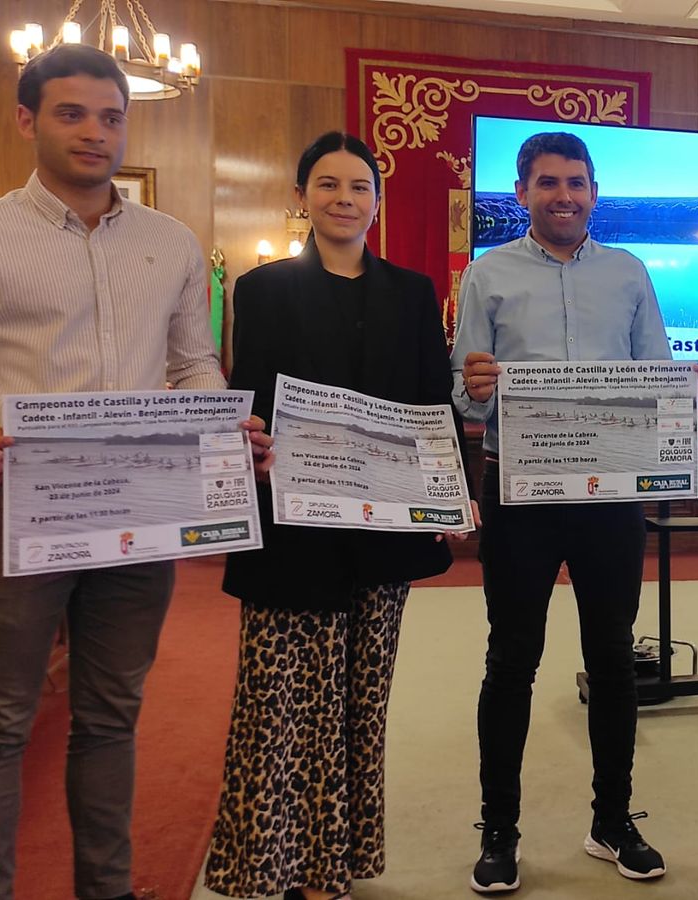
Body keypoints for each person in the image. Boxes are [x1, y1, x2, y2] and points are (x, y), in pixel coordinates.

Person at [0, 44, 271, 900]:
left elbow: (192, 364)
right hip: (20, 504)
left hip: (144, 507)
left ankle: (110, 889)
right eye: (71, 114)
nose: (95, 133)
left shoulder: (172, 242)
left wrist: (218, 424)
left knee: (110, 718)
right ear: (27, 120)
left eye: (111, 117)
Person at [451, 131, 698, 893]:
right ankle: (499, 830)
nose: (563, 195)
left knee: (611, 662)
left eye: (576, 182)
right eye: (547, 183)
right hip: (522, 497)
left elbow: (653, 376)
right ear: (522, 194)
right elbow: (460, 389)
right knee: (511, 662)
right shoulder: (487, 274)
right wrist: (471, 387)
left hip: (610, 499)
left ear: (594, 193)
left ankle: (612, 821)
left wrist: (689, 389)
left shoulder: (630, 272)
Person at [202, 132, 459, 900]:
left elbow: (431, 405)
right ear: (302, 196)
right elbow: (251, 401)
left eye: (358, 186)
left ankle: (333, 863)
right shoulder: (264, 288)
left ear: (377, 202)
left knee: (359, 702)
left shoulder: (414, 293)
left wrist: (445, 494)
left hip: (381, 527)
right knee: (279, 701)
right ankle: (264, 864)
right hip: (291, 521)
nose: (344, 198)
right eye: (327, 184)